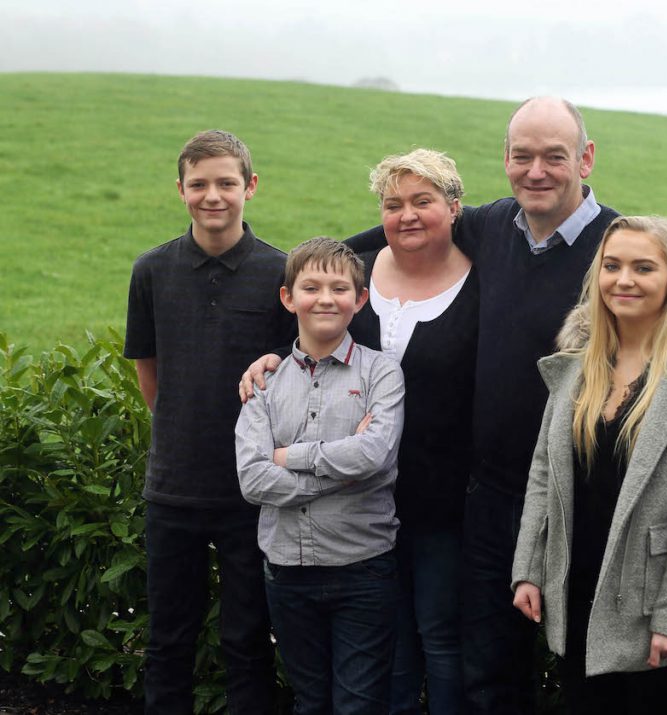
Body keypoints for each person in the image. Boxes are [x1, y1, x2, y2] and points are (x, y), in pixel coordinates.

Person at [242, 97, 620, 714]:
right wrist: (314, 279)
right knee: (486, 660)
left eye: (555, 156)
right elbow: (403, 229)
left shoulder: (616, 243)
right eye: (522, 156)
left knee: (587, 655)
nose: (537, 171)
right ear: (505, 160)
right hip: (490, 493)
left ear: (586, 157)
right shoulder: (498, 225)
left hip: (579, 486)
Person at [511, 215, 667, 714]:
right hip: (578, 589)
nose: (624, 280)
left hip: (652, 604)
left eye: (644, 267)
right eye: (612, 265)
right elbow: (544, 473)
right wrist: (529, 568)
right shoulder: (580, 361)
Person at [124, 129, 294, 713]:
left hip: (251, 492)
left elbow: (290, 382)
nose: (212, 195)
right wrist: (180, 425)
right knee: (168, 639)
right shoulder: (151, 271)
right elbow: (150, 373)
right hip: (171, 490)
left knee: (247, 640)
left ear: (251, 187)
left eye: (226, 183)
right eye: (198, 184)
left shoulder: (280, 274)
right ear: (180, 190)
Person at [235, 237, 405, 714]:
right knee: (310, 702)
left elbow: (374, 456)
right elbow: (253, 480)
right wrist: (342, 468)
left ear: (361, 299)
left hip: (363, 568)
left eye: (339, 288)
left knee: (358, 704)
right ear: (289, 298)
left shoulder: (382, 374)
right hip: (288, 572)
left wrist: (288, 457)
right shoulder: (263, 381)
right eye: (311, 287)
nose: (326, 298)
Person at [355, 149, 477, 714]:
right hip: (361, 501)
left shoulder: (482, 285)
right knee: (391, 641)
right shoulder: (353, 272)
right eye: (393, 203)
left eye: (422, 201)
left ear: (454, 208)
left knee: (443, 637)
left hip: (445, 504)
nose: (407, 214)